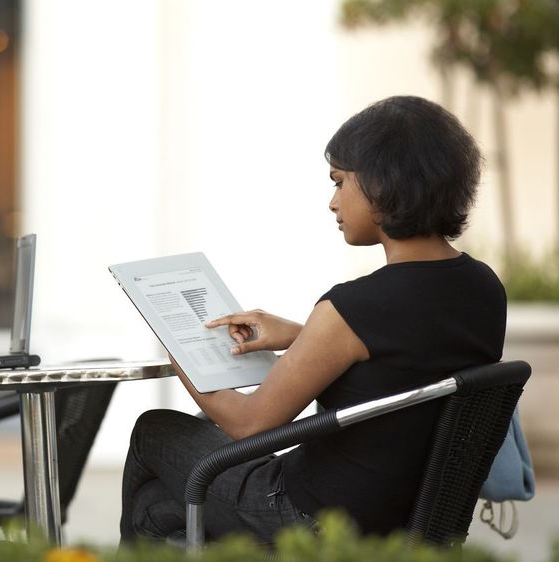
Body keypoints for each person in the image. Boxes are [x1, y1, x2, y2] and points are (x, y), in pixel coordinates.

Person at [120, 96, 506, 543]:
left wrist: (180, 345)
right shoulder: (482, 289)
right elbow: (405, 361)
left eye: (340, 182)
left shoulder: (356, 306)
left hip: (314, 519)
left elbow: (250, 424)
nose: (332, 201)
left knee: (154, 429)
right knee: (154, 508)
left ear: (384, 182)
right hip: (406, 518)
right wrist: (301, 336)